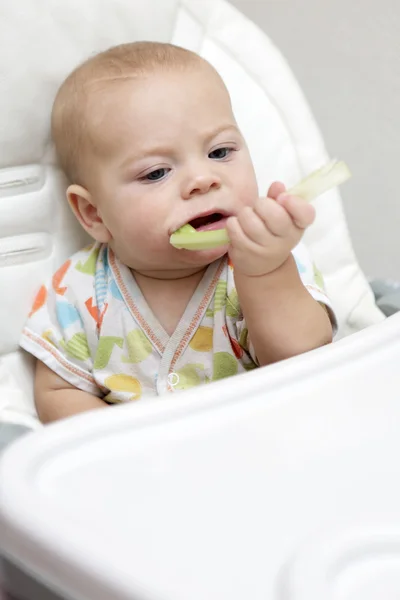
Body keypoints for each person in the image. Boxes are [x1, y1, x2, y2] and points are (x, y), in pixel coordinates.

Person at [20, 42, 335, 424]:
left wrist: (266, 272)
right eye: (156, 172)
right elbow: (59, 391)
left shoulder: (267, 258)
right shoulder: (76, 291)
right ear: (93, 213)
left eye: (220, 152)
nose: (203, 179)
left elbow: (306, 361)